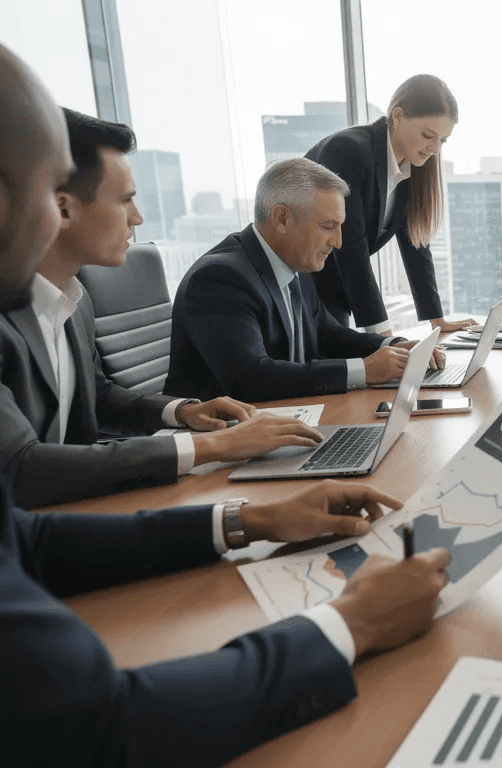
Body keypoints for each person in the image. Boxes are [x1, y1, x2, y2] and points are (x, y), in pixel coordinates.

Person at [0, 43, 452, 767]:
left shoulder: (65, 303)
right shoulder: (217, 276)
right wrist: (347, 627)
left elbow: (23, 541)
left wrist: (249, 519)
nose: (142, 216)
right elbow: (103, 726)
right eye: (54, 187)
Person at [0, 109, 326, 509]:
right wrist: (210, 446)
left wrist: (183, 411)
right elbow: (21, 467)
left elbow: (97, 395)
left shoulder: (75, 300)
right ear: (64, 209)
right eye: (125, 200)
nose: (137, 218)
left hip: (79, 511)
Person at [165, 157, 444, 403]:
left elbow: (328, 335)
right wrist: (366, 370)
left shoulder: (295, 262)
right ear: (283, 218)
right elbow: (251, 378)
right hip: (220, 443)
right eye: (327, 227)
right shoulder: (220, 279)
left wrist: (392, 347)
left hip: (283, 417)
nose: (337, 242)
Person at [305, 74, 474, 336]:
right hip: (299, 281)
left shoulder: (409, 164)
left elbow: (415, 244)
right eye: (428, 135)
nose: (435, 149)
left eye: (442, 140)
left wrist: (437, 320)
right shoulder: (347, 151)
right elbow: (351, 247)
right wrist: (385, 337)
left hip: (333, 285)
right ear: (397, 117)